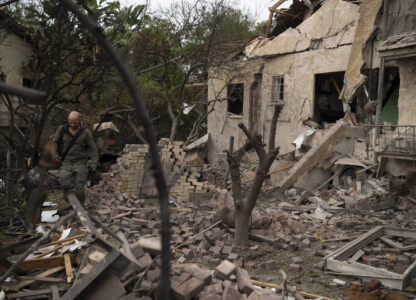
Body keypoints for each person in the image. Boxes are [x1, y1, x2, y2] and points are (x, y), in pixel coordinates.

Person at [51, 111, 98, 203]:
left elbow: (93, 148)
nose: (72, 124)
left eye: (75, 123)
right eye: (70, 122)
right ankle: (68, 199)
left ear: (80, 121)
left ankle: (80, 206)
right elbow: (55, 142)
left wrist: (94, 162)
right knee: (64, 183)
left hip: (80, 162)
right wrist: (54, 154)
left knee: (80, 188)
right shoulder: (62, 129)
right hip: (66, 162)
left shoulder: (85, 133)